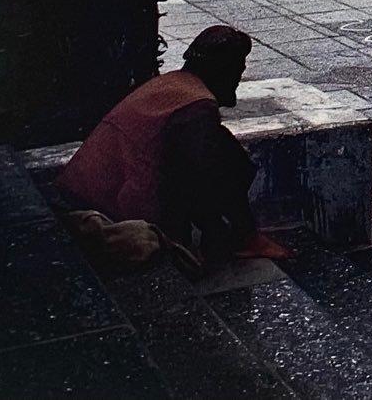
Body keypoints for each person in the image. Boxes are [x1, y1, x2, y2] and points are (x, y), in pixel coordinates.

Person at [54, 26, 289, 271]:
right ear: (225, 71)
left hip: (83, 196)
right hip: (104, 212)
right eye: (238, 71)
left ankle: (241, 235)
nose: (240, 78)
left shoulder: (172, 85)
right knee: (224, 160)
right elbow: (204, 176)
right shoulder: (197, 106)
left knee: (225, 148)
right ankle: (247, 238)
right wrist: (227, 231)